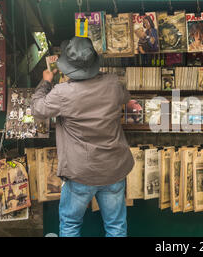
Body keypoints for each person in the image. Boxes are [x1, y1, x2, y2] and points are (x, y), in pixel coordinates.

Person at [31, 37, 134, 237]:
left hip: (81, 172)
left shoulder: (62, 93)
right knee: (116, 227)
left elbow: (37, 109)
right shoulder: (113, 83)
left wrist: (45, 82)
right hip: (113, 168)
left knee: (70, 225)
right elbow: (125, 97)